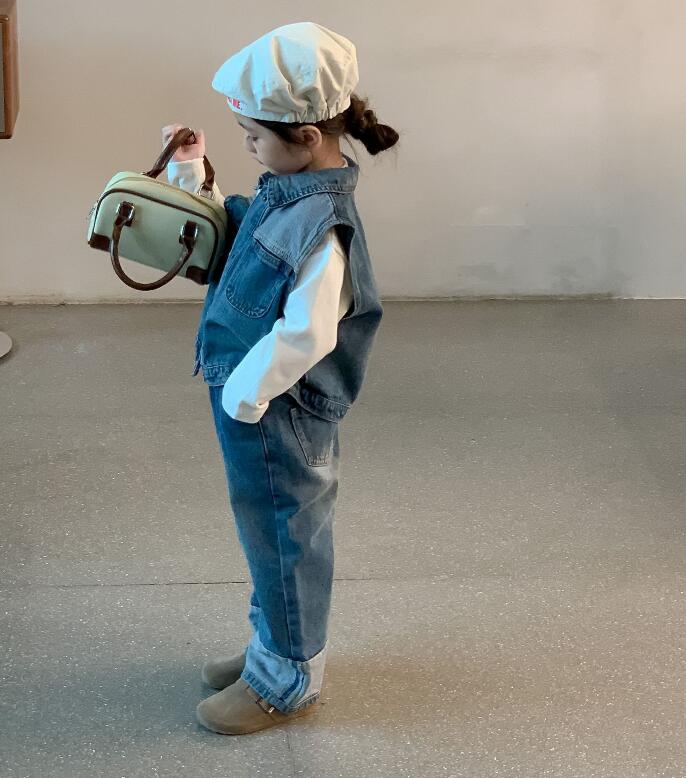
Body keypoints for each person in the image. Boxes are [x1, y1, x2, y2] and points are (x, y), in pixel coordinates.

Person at [162, 21, 399, 735]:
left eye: (253, 138)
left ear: (306, 136)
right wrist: (191, 173)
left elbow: (309, 332)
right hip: (257, 399)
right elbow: (232, 237)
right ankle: (271, 646)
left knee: (287, 538)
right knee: (265, 535)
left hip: (280, 409)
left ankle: (287, 679)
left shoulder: (323, 225)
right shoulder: (289, 191)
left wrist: (247, 392)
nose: (248, 149)